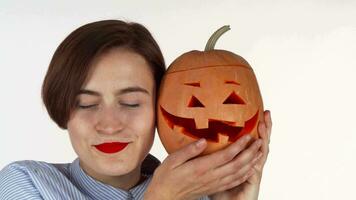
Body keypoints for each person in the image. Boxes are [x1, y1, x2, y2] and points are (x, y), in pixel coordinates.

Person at [0, 20, 272, 200]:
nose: (109, 124)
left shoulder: (199, 192)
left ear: (161, 107)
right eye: (86, 104)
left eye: (131, 103)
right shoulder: (25, 184)